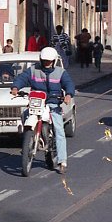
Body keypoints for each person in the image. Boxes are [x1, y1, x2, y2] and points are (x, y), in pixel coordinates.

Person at [11, 46, 76, 174]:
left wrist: (68, 94)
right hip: (36, 102)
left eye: (49, 61)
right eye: (44, 60)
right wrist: (15, 87)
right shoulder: (33, 70)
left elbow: (69, 84)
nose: (46, 63)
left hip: (53, 103)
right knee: (24, 114)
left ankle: (62, 161)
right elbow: (22, 78)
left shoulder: (60, 72)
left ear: (53, 61)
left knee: (59, 130)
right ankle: (29, 139)